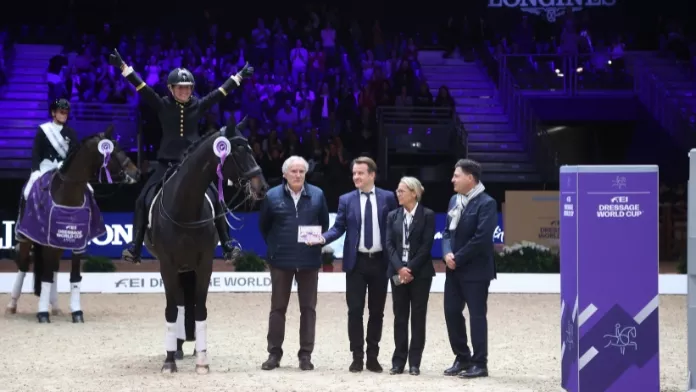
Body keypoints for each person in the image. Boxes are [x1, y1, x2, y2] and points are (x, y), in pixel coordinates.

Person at [107, 49, 254, 263]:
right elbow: (142, 87)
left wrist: (238, 76)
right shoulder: (162, 104)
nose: (184, 91)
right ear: (171, 89)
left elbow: (221, 92)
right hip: (166, 164)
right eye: (180, 88)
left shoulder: (198, 104)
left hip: (192, 164)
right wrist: (122, 66)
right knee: (142, 199)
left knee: (216, 197)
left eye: (187, 88)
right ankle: (135, 245)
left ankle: (228, 244)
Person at [312, 156, 398, 373]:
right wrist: (323, 238)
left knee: (377, 312)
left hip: (380, 262)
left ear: (372, 175)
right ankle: (357, 356)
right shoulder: (346, 199)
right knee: (355, 311)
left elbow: (395, 229)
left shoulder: (388, 198)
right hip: (356, 263)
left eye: (360, 173)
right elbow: (338, 227)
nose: (356, 177)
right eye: (354, 173)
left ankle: (373, 356)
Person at [10, 98, 83, 314]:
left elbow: (76, 155)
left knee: (87, 191)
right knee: (27, 190)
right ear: (53, 113)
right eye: (61, 111)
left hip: (63, 172)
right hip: (44, 168)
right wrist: (35, 171)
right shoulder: (43, 131)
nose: (64, 114)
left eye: (66, 112)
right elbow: (36, 152)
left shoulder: (71, 133)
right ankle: (22, 228)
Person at [258, 156, 330, 371]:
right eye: (293, 171)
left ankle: (305, 355)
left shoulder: (318, 195)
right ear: (284, 174)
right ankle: (274, 354)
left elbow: (324, 223)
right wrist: (277, 247)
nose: (297, 175)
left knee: (308, 309)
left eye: (301, 171)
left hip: (309, 261)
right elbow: (264, 227)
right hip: (281, 261)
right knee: (278, 308)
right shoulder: (271, 196)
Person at [441, 159, 497, 379]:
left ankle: (480, 363)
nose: (452, 179)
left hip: (475, 269)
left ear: (470, 178)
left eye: (456, 175)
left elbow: (482, 238)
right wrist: (446, 254)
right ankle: (462, 357)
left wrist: (458, 257)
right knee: (451, 312)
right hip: (453, 267)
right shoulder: (455, 200)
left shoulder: (486, 203)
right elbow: (446, 232)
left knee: (476, 315)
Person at [384, 176, 435, 376]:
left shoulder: (427, 215)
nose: (398, 194)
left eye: (402, 190)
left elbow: (426, 246)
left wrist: (410, 269)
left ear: (414, 193)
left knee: (418, 317)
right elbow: (389, 244)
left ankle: (415, 362)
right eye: (398, 190)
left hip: (420, 274)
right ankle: (398, 361)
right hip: (397, 273)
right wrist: (399, 268)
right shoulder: (392, 216)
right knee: (400, 317)